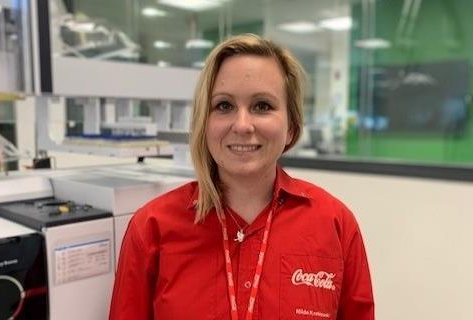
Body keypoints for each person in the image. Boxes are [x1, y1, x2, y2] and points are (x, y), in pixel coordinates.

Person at [109, 33, 374, 320]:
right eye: (224, 106)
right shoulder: (151, 229)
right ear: (204, 123)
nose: (242, 124)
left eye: (262, 106)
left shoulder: (335, 225)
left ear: (291, 128)